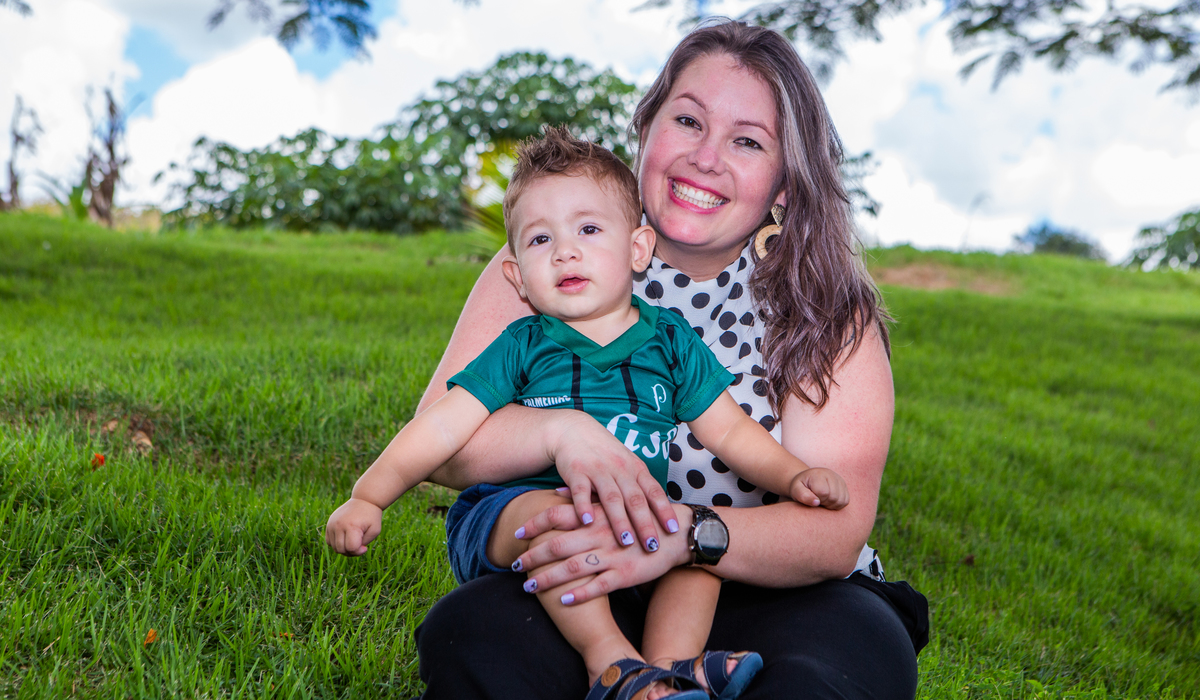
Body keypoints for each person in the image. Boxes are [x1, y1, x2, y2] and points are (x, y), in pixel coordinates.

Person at [413, 19, 929, 700]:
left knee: (834, 672)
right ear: (646, 131)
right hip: (594, 589)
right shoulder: (552, 261)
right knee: (475, 635)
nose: (706, 157)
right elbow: (441, 447)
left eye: (747, 141)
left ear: (782, 184)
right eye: (688, 121)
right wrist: (560, 431)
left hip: (777, 588)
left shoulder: (825, 310)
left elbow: (833, 533)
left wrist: (680, 536)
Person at [326, 126, 851, 700]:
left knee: (700, 550)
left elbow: (729, 430)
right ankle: (610, 661)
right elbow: (442, 426)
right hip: (514, 515)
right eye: (540, 239)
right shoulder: (524, 343)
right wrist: (369, 495)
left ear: (637, 249)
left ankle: (669, 672)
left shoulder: (670, 341)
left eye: (589, 229)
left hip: (630, 520)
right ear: (516, 276)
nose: (565, 251)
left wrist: (793, 477)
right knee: (563, 520)